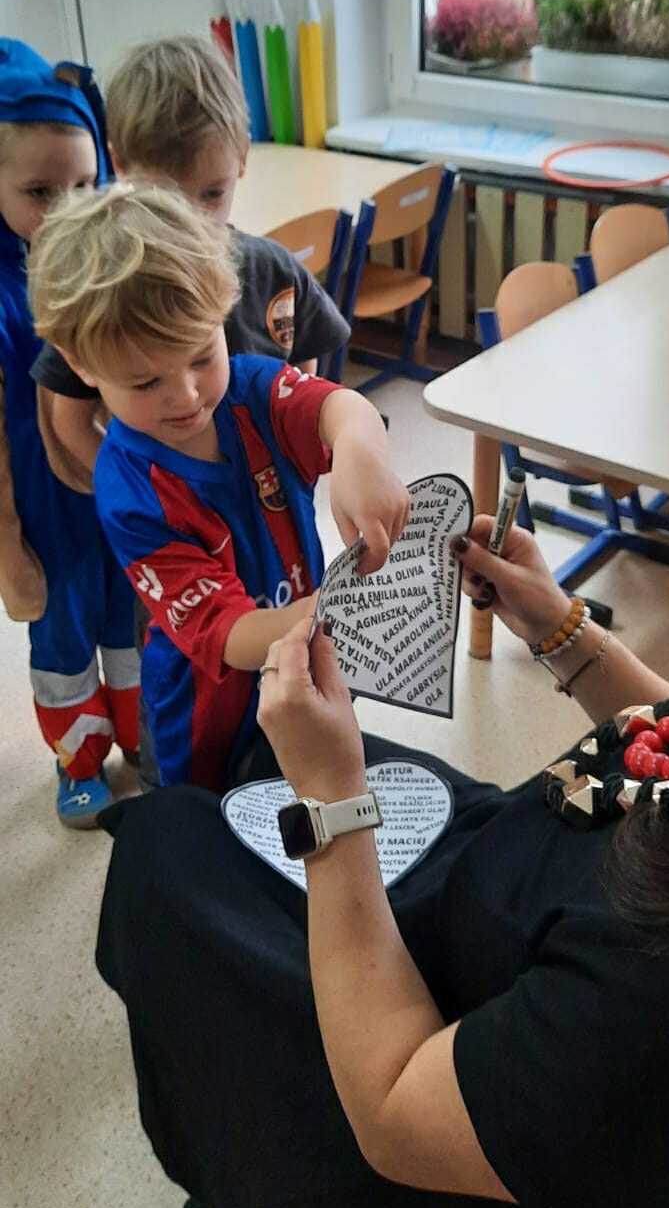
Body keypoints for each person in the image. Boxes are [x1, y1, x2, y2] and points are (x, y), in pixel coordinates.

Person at [93, 503, 669, 1208]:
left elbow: (395, 1120)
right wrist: (559, 628)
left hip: (437, 1069)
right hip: (519, 873)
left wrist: (332, 801)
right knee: (258, 770)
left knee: (162, 848)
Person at [28, 183, 408, 791]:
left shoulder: (253, 386)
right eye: (145, 382)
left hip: (303, 660)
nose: (185, 396)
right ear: (82, 366)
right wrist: (335, 614)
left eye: (203, 355)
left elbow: (342, 410)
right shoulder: (128, 491)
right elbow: (227, 634)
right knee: (208, 821)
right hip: (205, 721)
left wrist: (360, 454)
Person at [30, 33, 350, 484]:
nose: (191, 221)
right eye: (166, 199)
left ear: (241, 155)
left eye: (211, 194)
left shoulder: (272, 268)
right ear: (118, 164)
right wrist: (140, 490)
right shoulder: (103, 285)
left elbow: (303, 362)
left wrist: (293, 445)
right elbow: (69, 420)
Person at [0, 39, 139, 827]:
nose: (69, 210)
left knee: (135, 618)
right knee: (64, 639)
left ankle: (145, 736)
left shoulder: (113, 257)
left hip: (122, 486)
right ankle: (77, 760)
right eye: (40, 192)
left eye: (85, 185)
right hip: (44, 512)